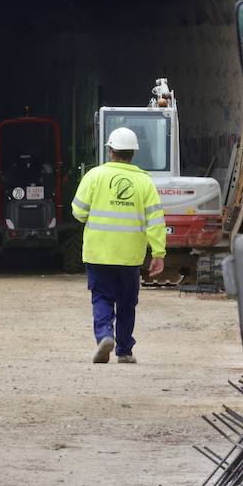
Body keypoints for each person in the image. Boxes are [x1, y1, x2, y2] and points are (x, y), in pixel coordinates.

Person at [71, 127, 166, 364]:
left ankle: (104, 335)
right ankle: (124, 350)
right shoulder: (145, 181)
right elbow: (155, 220)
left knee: (101, 297)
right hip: (129, 256)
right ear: (134, 153)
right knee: (127, 302)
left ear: (110, 150)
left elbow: (78, 212)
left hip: (98, 253)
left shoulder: (94, 176)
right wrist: (159, 253)